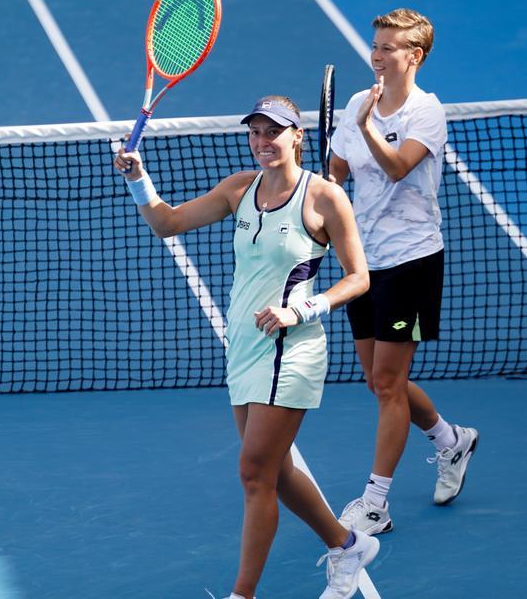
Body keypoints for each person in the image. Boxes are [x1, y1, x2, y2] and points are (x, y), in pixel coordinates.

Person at [114, 96, 378, 599]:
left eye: (273, 132)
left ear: (297, 136)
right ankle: (347, 544)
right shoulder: (239, 188)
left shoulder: (323, 198)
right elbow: (167, 223)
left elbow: (358, 278)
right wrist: (137, 179)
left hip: (292, 348)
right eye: (255, 133)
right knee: (273, 472)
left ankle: (242, 594)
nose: (263, 142)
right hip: (244, 347)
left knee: (253, 473)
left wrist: (301, 310)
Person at [329, 9, 479, 536]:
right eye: (375, 44)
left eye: (389, 47)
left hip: (413, 259)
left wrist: (368, 124)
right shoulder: (355, 103)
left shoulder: (426, 113)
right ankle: (451, 440)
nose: (376, 54)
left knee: (389, 383)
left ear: (414, 56)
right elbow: (336, 172)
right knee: (378, 380)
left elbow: (396, 166)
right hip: (363, 262)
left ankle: (375, 504)